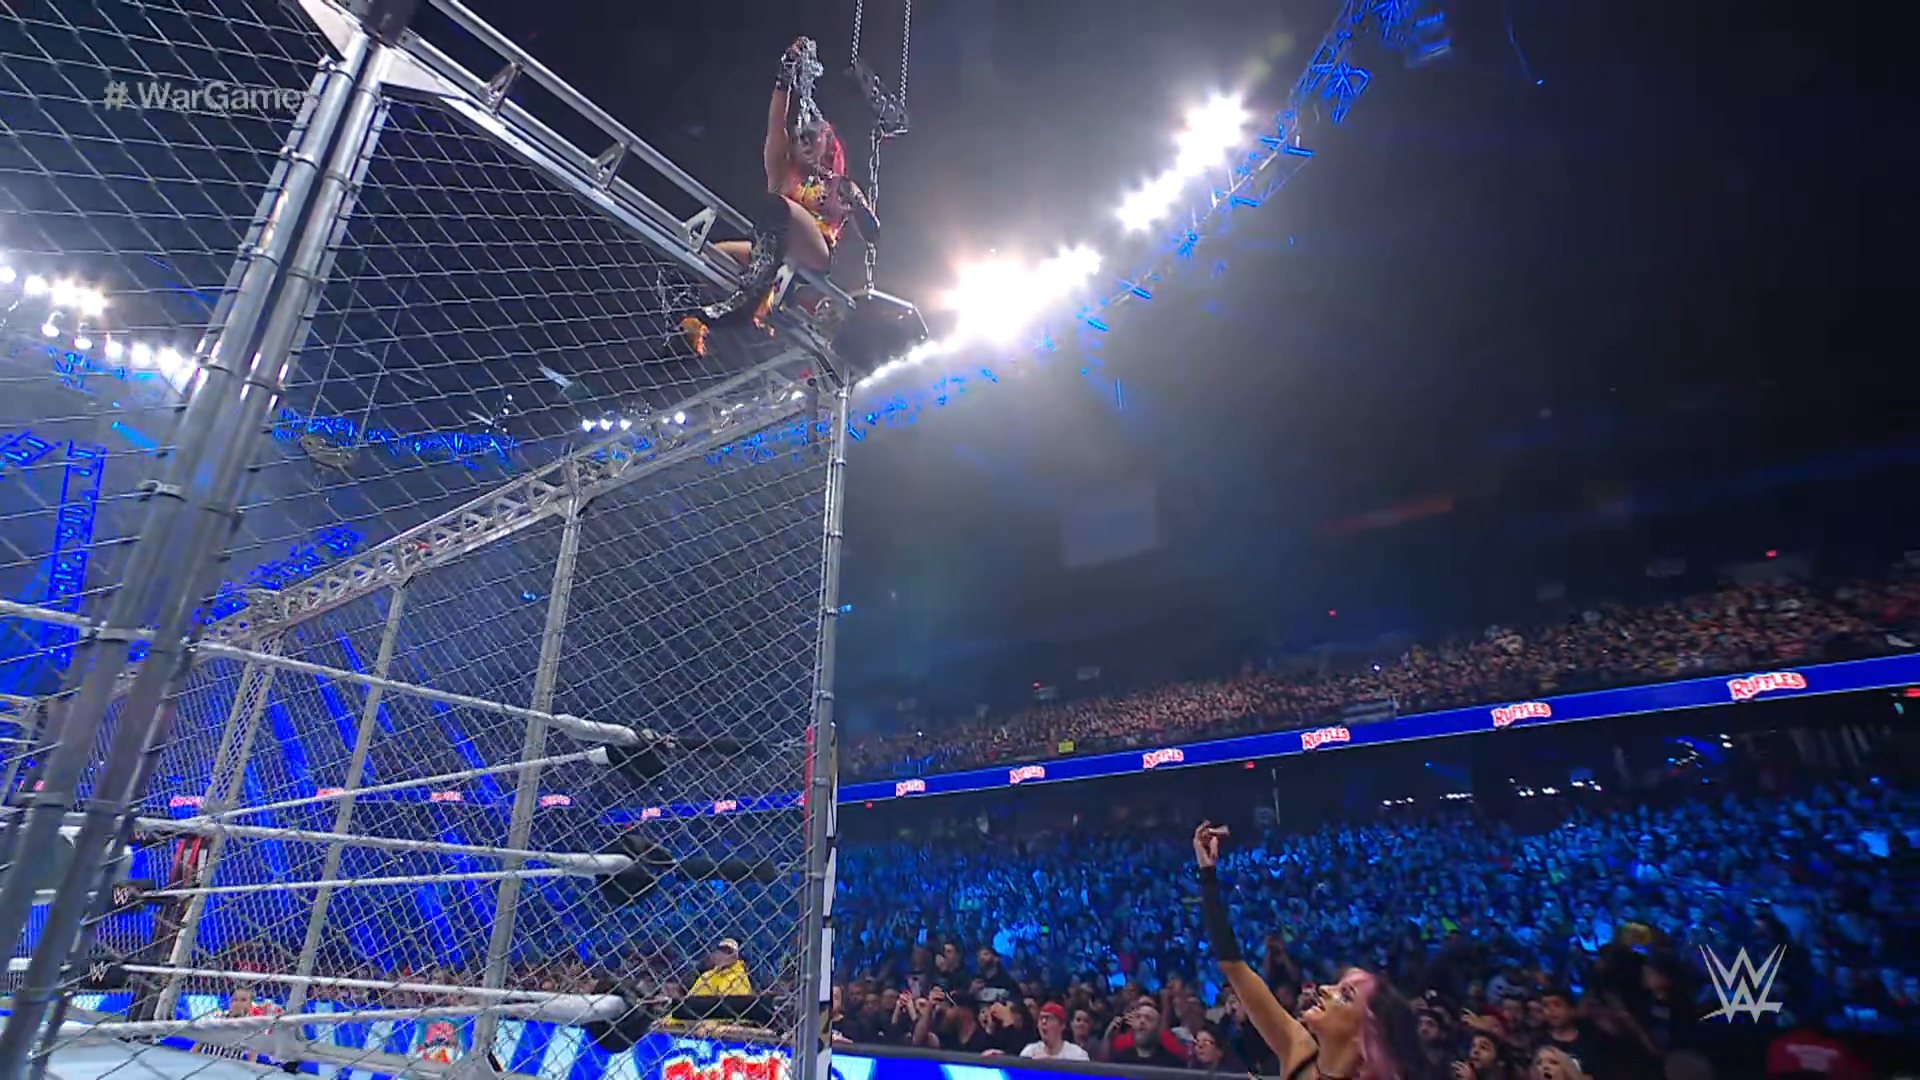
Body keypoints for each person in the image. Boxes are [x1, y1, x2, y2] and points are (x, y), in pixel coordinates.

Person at [680, 37, 878, 355]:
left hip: (815, 254)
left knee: (780, 208)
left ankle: (745, 303)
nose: (804, 141)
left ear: (829, 144)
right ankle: (690, 331)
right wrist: (785, 75)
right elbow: (776, 122)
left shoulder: (838, 185)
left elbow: (873, 233)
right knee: (711, 254)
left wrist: (855, 201)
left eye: (812, 137)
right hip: (773, 255)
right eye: (800, 137)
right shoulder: (783, 171)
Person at [1192, 822, 1425, 1080]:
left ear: (1366, 1033)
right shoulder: (1298, 1050)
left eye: (1345, 996)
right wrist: (1207, 873)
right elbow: (1233, 966)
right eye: (1338, 985)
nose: (1325, 989)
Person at [1021, 1002, 1091, 1061]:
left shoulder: (1077, 1055)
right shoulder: (1029, 1052)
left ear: (1062, 1025)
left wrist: (1051, 1064)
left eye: (1049, 1018)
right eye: (1041, 1018)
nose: (1043, 1022)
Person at [688, 938, 753, 997]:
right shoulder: (706, 975)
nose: (725, 955)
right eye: (722, 951)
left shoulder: (738, 978)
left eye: (729, 952)